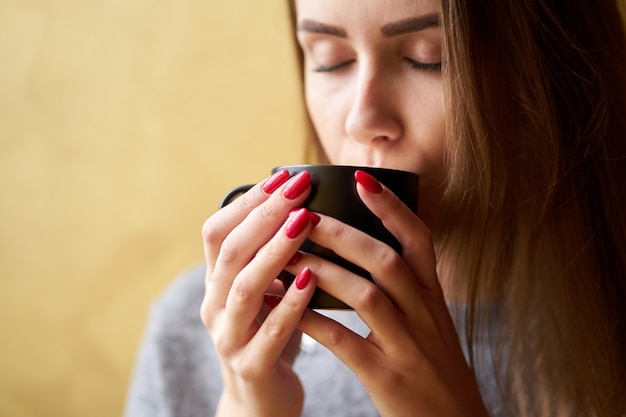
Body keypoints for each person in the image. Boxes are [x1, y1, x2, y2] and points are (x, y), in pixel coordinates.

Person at [124, 0, 626, 416]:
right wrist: (245, 404)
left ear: (556, 76)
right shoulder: (196, 334)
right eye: (330, 59)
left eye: (430, 58)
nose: (362, 120)